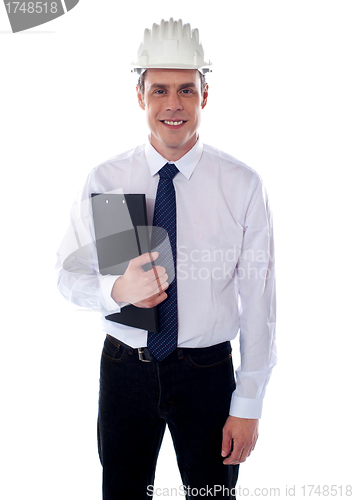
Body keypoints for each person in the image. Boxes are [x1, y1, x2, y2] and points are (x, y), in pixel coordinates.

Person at [56, 18, 276, 500]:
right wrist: (114, 290)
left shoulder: (242, 185)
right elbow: (66, 274)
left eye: (185, 90)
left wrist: (249, 402)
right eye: (159, 90)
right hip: (124, 369)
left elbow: (259, 301)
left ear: (204, 94)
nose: (173, 105)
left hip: (208, 376)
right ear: (140, 96)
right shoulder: (107, 179)